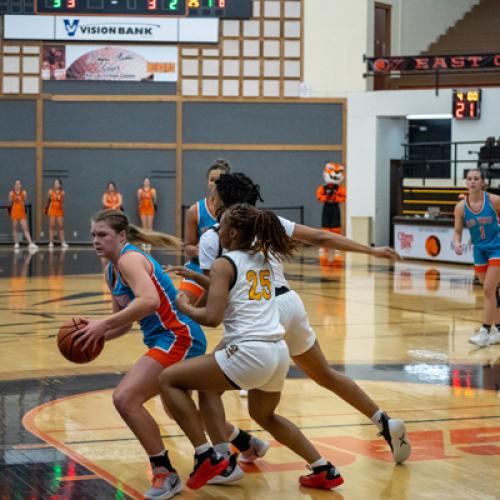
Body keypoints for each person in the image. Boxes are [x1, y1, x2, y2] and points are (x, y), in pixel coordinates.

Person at [192, 172, 411, 466]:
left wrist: (184, 308)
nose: (210, 200)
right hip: (290, 304)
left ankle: (223, 458)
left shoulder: (214, 236)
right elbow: (321, 237)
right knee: (325, 375)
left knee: (207, 388)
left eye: (214, 196)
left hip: (262, 312)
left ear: (224, 202)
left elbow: (212, 294)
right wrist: (370, 250)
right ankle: (383, 420)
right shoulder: (269, 222)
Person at [159, 203, 345, 494]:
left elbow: (211, 317)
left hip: (249, 351)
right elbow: (238, 286)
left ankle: (208, 456)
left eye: (220, 227)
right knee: (264, 415)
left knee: (168, 379)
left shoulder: (224, 262)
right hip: (277, 351)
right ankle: (323, 468)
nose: (216, 231)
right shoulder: (264, 256)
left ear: (232, 232)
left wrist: (184, 306)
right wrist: (197, 277)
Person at [74, 209, 207, 500]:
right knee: (176, 407)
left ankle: (165, 473)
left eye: (103, 235)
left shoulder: (129, 259)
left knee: (125, 398)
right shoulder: (111, 268)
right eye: (93, 235)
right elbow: (122, 323)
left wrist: (102, 326)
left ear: (121, 236)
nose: (96, 241)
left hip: (179, 335)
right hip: (166, 338)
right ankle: (240, 443)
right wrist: (92, 336)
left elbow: (149, 301)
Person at [454, 168, 500, 347]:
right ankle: (498, 330)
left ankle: (484, 332)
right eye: (469, 179)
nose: (472, 181)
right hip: (479, 250)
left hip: (497, 248)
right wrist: (457, 243)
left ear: (483, 182)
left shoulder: (494, 201)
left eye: (476, 178)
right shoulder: (460, 207)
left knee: (489, 290)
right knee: (491, 292)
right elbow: (457, 231)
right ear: (466, 183)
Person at [180, 159, 232, 303]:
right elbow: (188, 247)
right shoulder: (195, 210)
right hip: (199, 267)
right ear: (207, 182)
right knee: (182, 306)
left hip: (228, 269)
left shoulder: (236, 210)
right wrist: (198, 250)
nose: (215, 183)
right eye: (211, 180)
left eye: (219, 180)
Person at [8, 180, 37, 250]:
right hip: (14, 212)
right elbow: (10, 201)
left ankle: (30, 243)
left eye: (19, 184)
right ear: (14, 185)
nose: (17, 185)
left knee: (25, 228)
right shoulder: (11, 193)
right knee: (15, 228)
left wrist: (20, 198)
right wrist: (12, 197)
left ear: (21, 185)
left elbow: (24, 200)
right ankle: (16, 243)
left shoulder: (23, 192)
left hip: (21, 212)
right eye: (16, 184)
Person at [46, 178, 68, 249]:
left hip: (59, 210)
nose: (56, 184)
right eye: (55, 183)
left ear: (60, 184)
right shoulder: (50, 191)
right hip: (52, 210)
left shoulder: (62, 192)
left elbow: (62, 201)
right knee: (52, 226)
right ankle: (51, 242)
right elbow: (48, 200)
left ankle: (63, 242)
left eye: (57, 183)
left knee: (61, 226)